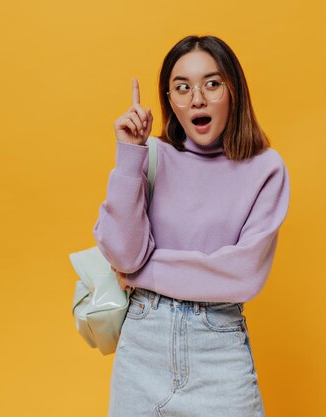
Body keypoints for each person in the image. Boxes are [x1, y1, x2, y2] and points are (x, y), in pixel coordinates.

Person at [93, 34, 290, 417]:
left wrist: (142, 272)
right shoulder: (150, 157)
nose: (197, 99)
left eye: (211, 84)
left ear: (234, 91)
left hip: (218, 349)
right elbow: (121, 253)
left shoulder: (266, 169)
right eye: (182, 88)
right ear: (170, 100)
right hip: (142, 348)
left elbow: (242, 275)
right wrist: (129, 154)